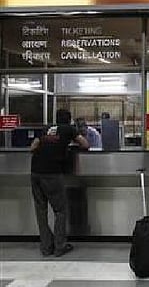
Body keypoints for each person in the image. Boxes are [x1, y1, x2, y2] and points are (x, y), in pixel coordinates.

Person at [30, 109, 89, 257]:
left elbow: (33, 147)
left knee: (41, 211)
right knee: (60, 210)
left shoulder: (46, 128)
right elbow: (85, 144)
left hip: (35, 172)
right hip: (52, 173)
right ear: (69, 120)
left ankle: (46, 247)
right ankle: (59, 246)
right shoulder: (69, 129)